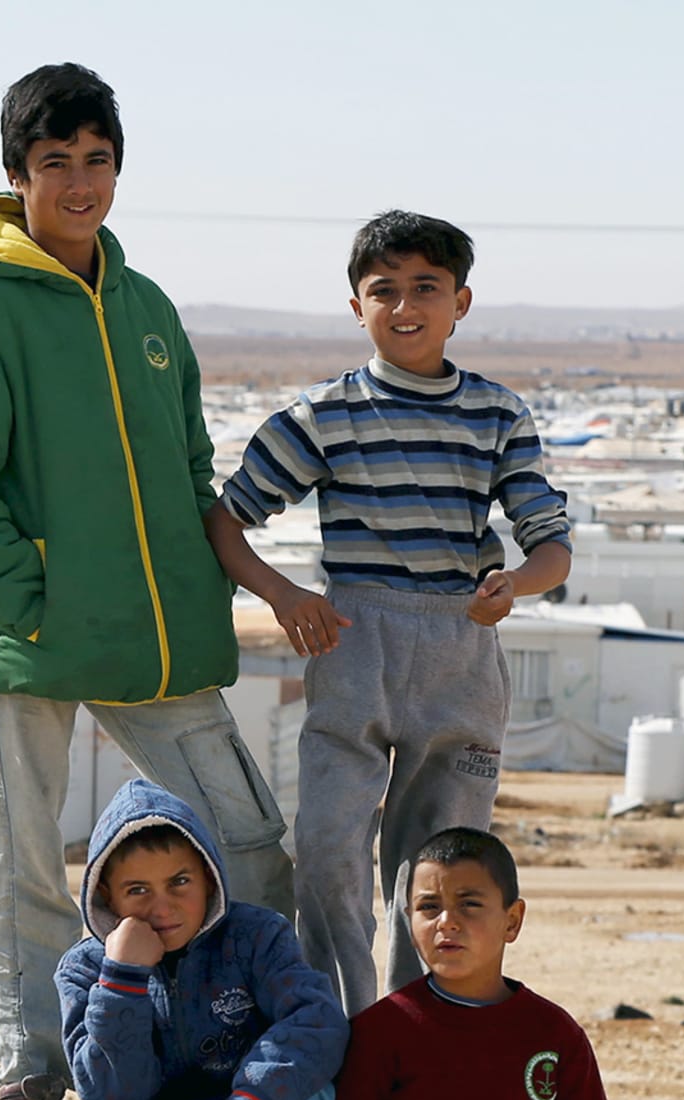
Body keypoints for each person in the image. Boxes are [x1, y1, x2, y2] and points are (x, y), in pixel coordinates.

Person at [0, 62, 296, 1100]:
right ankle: (27, 1097)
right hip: (26, 637)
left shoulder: (147, 305)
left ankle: (248, 1062)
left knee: (249, 838)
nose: (78, 184)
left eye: (96, 161)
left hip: (153, 639)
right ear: (16, 176)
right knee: (23, 867)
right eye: (54, 164)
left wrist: (195, 592)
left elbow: (183, 470)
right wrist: (31, 596)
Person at [205, 209, 573, 1013]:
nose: (406, 307)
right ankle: (329, 1022)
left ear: (461, 302)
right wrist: (285, 594)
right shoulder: (323, 415)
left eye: (426, 289)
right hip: (355, 639)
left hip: (460, 652)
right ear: (356, 306)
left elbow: (552, 545)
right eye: (385, 291)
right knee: (329, 845)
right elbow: (225, 520)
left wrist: (515, 585)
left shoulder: (498, 414)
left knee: (440, 860)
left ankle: (424, 1025)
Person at [57, 780, 345, 1100]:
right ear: (105, 895)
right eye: (137, 890)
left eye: (180, 882)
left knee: (306, 1091)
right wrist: (123, 978)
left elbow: (316, 1022)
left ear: (210, 878)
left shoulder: (256, 936)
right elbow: (112, 1096)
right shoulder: (85, 970)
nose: (162, 906)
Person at [329, 828, 612, 1100]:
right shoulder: (382, 1032)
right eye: (428, 906)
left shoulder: (553, 1035)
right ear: (408, 920)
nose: (447, 921)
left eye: (469, 904)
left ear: (512, 920)